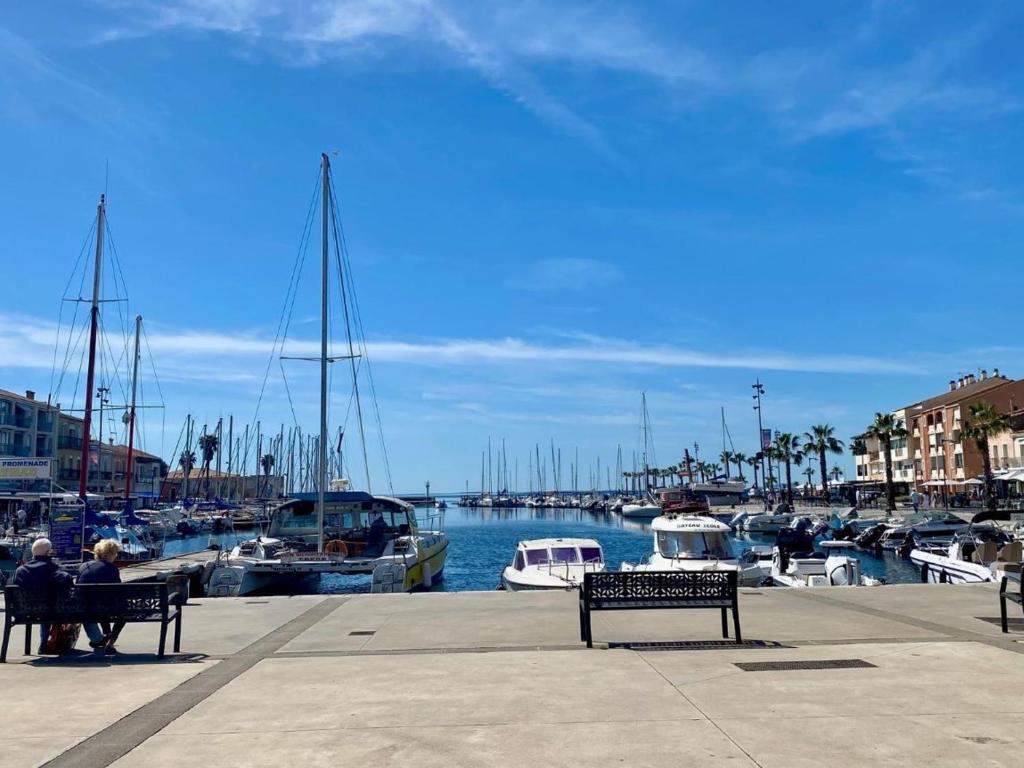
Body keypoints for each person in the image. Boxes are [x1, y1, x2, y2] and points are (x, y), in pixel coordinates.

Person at [12, 538, 71, 655]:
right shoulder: (51, 568)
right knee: (48, 606)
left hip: (23, 612)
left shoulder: (20, 570)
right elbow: (66, 579)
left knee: (42, 606)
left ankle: (44, 643)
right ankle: (48, 643)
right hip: (48, 610)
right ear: (48, 552)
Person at [77, 539, 124, 655]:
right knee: (121, 612)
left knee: (101, 607)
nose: (116, 556)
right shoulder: (111, 569)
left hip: (85, 609)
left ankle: (106, 637)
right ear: (110, 554)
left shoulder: (84, 566)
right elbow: (118, 591)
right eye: (115, 553)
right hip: (104, 608)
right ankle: (111, 640)